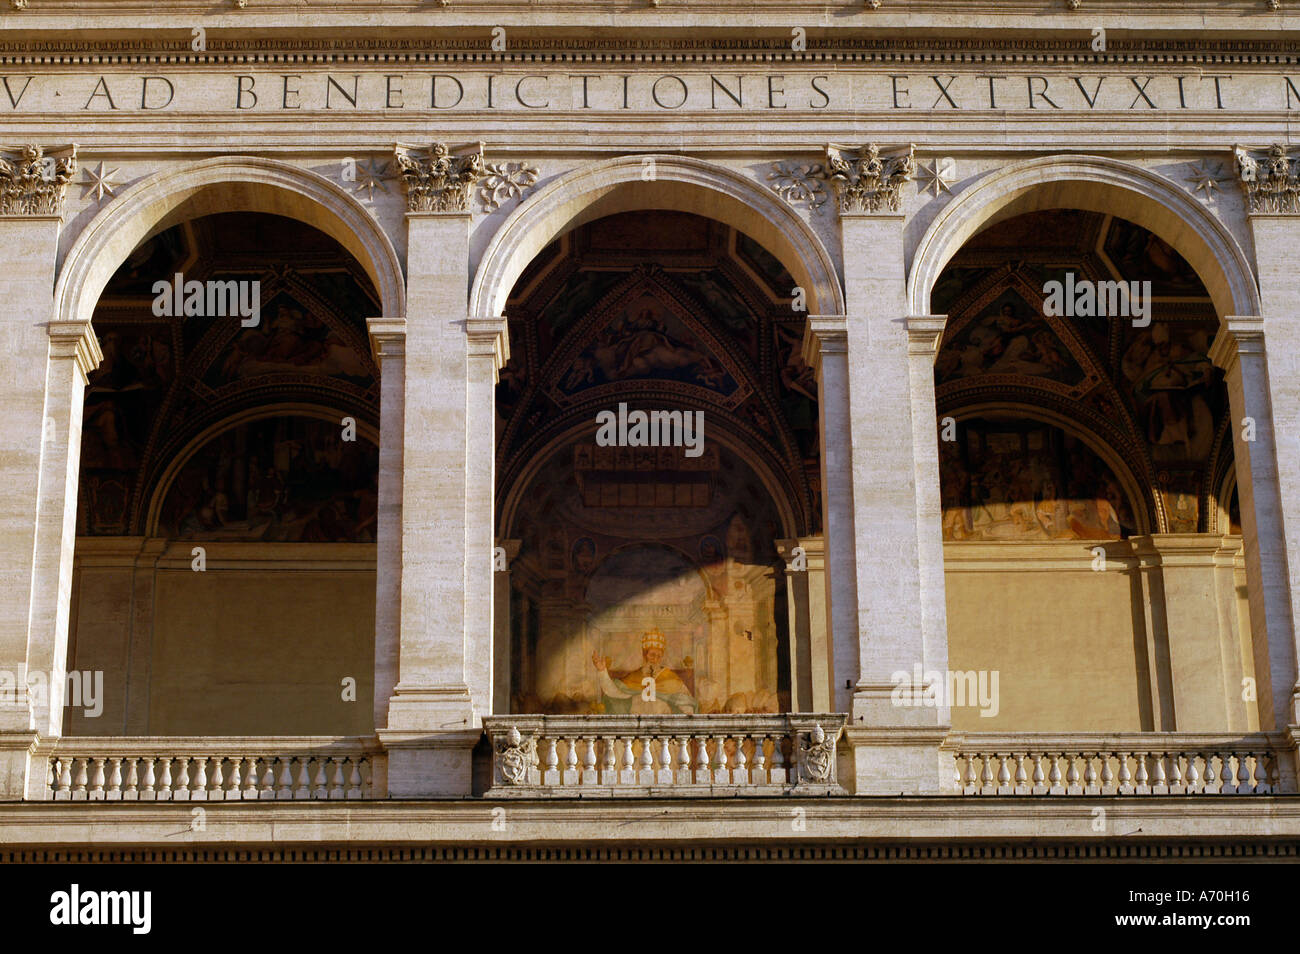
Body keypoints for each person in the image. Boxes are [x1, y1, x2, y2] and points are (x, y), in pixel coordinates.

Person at [591, 629, 697, 714]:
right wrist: (602, 671)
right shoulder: (635, 676)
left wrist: (688, 713)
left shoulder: (670, 677)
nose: (655, 659)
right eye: (652, 655)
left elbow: (685, 700)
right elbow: (613, 691)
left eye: (659, 656)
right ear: (644, 655)